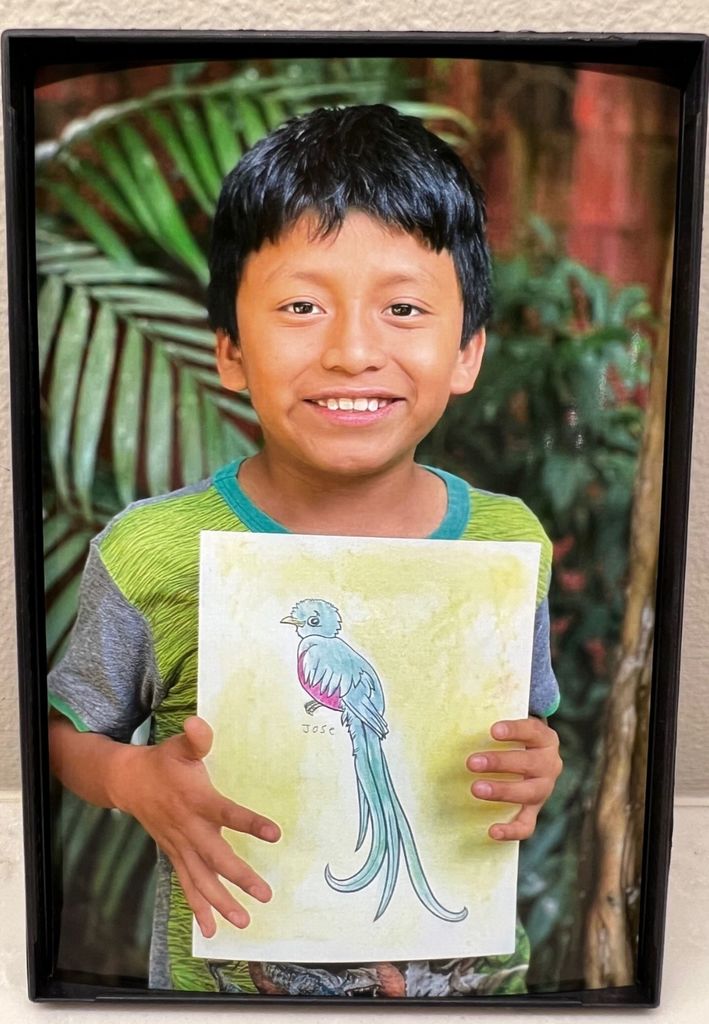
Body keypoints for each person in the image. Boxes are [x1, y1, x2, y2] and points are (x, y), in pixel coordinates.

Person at [47, 104, 562, 997]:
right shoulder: (149, 551)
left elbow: (530, 725)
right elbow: (60, 734)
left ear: (466, 352)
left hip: (465, 994)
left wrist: (536, 764)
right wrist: (132, 778)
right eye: (300, 306)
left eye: (403, 308)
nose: (353, 351)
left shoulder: (507, 541)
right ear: (230, 351)